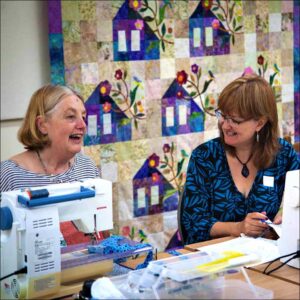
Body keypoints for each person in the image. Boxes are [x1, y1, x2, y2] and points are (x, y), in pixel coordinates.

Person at [179, 74, 300, 245]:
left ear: (260, 123)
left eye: (234, 120)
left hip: (264, 258)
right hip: (214, 259)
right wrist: (238, 228)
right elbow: (193, 223)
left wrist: (287, 218)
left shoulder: (283, 154)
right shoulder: (205, 156)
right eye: (223, 115)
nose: (225, 125)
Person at [0, 84, 101, 245]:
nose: (82, 125)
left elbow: (100, 232)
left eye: (83, 116)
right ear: (42, 125)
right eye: (70, 117)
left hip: (85, 267)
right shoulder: (9, 175)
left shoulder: (87, 167)